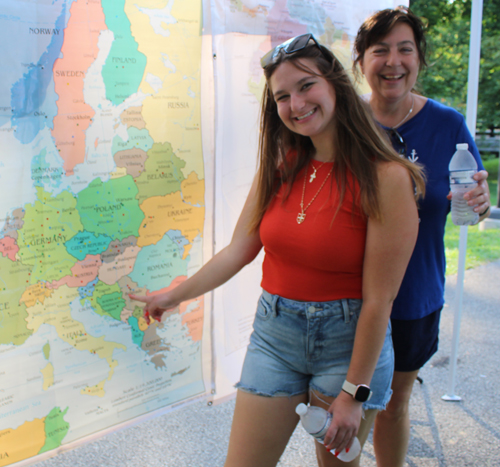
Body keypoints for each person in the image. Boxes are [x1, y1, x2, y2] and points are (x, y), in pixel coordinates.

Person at [131, 34, 425, 467]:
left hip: (349, 346)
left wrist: (353, 393)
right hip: (275, 335)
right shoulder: (282, 164)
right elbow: (238, 250)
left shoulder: (387, 178)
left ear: (336, 86)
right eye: (282, 96)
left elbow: (380, 302)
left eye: (306, 86)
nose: (296, 104)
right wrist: (172, 296)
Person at [353, 7, 491, 467]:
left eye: (405, 49)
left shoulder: (447, 124)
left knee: (393, 404)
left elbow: (469, 191)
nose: (393, 61)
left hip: (414, 297)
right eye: (380, 50)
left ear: (420, 59)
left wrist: (480, 197)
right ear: (361, 61)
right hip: (348, 297)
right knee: (348, 408)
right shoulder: (345, 123)